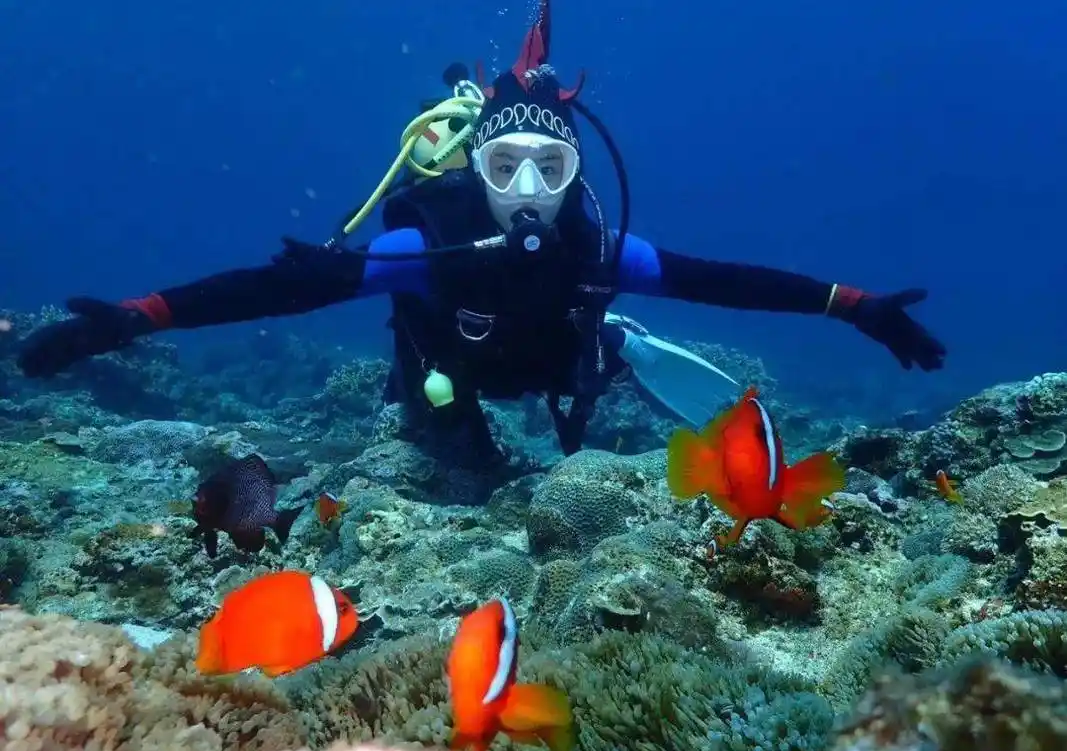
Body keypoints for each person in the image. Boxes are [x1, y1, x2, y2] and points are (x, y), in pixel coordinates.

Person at [16, 0, 945, 467]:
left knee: (590, 357)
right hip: (449, 379)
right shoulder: (431, 245)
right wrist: (138, 318)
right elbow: (280, 286)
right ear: (476, 175)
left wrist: (850, 305)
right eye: (505, 171)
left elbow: (722, 279)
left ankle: (616, 342)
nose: (529, 193)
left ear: (577, 175)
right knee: (447, 457)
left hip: (553, 367)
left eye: (551, 170)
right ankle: (567, 366)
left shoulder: (593, 248)